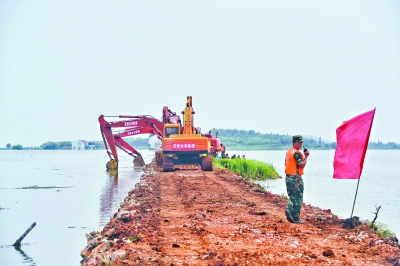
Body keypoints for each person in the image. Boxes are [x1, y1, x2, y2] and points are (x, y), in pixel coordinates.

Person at [284, 135, 310, 224]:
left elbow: (285, 163)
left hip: (288, 176)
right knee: (298, 197)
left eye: (302, 142)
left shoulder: (289, 151)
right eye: (299, 142)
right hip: (296, 177)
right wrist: (306, 156)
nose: (301, 144)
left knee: (291, 195)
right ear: (294, 143)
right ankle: (295, 216)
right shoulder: (297, 153)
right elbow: (301, 165)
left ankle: (289, 210)